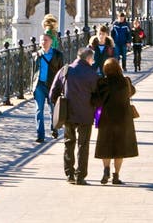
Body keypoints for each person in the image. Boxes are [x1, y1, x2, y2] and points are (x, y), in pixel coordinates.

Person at [50, 46, 99, 185]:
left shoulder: (65, 70)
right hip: (86, 114)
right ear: (88, 59)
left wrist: (59, 104)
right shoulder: (92, 73)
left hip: (68, 113)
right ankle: (80, 176)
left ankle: (69, 174)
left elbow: (53, 92)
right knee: (83, 145)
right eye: (92, 59)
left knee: (68, 142)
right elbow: (97, 95)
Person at [95, 57, 139, 185]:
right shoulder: (125, 82)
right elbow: (132, 92)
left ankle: (106, 169)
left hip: (105, 118)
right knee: (120, 148)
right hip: (123, 119)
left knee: (105, 145)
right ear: (119, 68)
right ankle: (116, 175)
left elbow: (96, 99)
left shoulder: (102, 83)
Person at [32, 32, 64, 142]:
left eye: (46, 40)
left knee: (53, 109)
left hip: (52, 86)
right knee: (39, 110)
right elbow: (33, 71)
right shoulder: (37, 55)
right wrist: (33, 86)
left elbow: (61, 72)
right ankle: (40, 135)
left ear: (51, 42)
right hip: (39, 85)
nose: (43, 42)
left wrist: (61, 87)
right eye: (42, 40)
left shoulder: (58, 55)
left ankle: (54, 128)